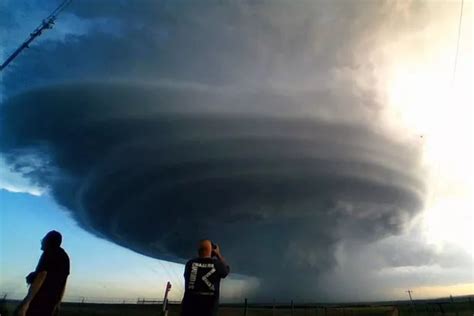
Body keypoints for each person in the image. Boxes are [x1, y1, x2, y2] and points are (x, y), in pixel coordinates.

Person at [16, 230, 70, 316]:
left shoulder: (49, 253)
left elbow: (41, 276)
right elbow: (63, 282)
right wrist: (58, 302)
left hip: (38, 301)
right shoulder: (65, 257)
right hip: (51, 303)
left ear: (48, 241)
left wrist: (26, 303)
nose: (42, 242)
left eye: (43, 240)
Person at [181, 240, 230, 316]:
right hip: (209, 312)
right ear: (211, 251)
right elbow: (226, 270)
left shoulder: (189, 264)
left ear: (198, 251)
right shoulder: (217, 264)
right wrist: (218, 254)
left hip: (188, 311)